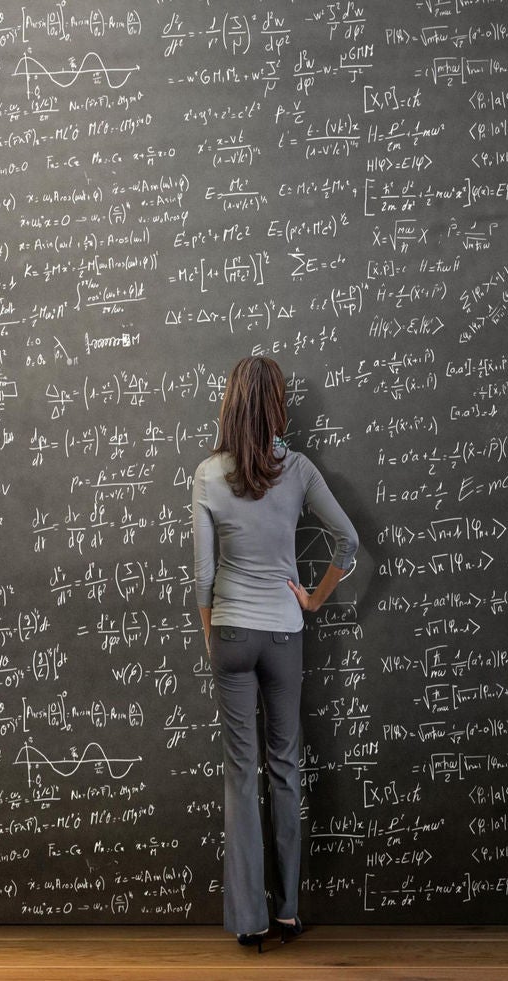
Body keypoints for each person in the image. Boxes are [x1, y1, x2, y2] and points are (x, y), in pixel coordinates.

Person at [190, 354, 358, 950]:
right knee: (286, 769)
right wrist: (313, 599)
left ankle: (250, 923)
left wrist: (214, 633)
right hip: (286, 631)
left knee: (242, 776)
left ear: (230, 403)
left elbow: (203, 575)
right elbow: (350, 540)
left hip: (232, 633)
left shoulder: (208, 474)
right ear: (278, 405)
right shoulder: (301, 469)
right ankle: (289, 912)